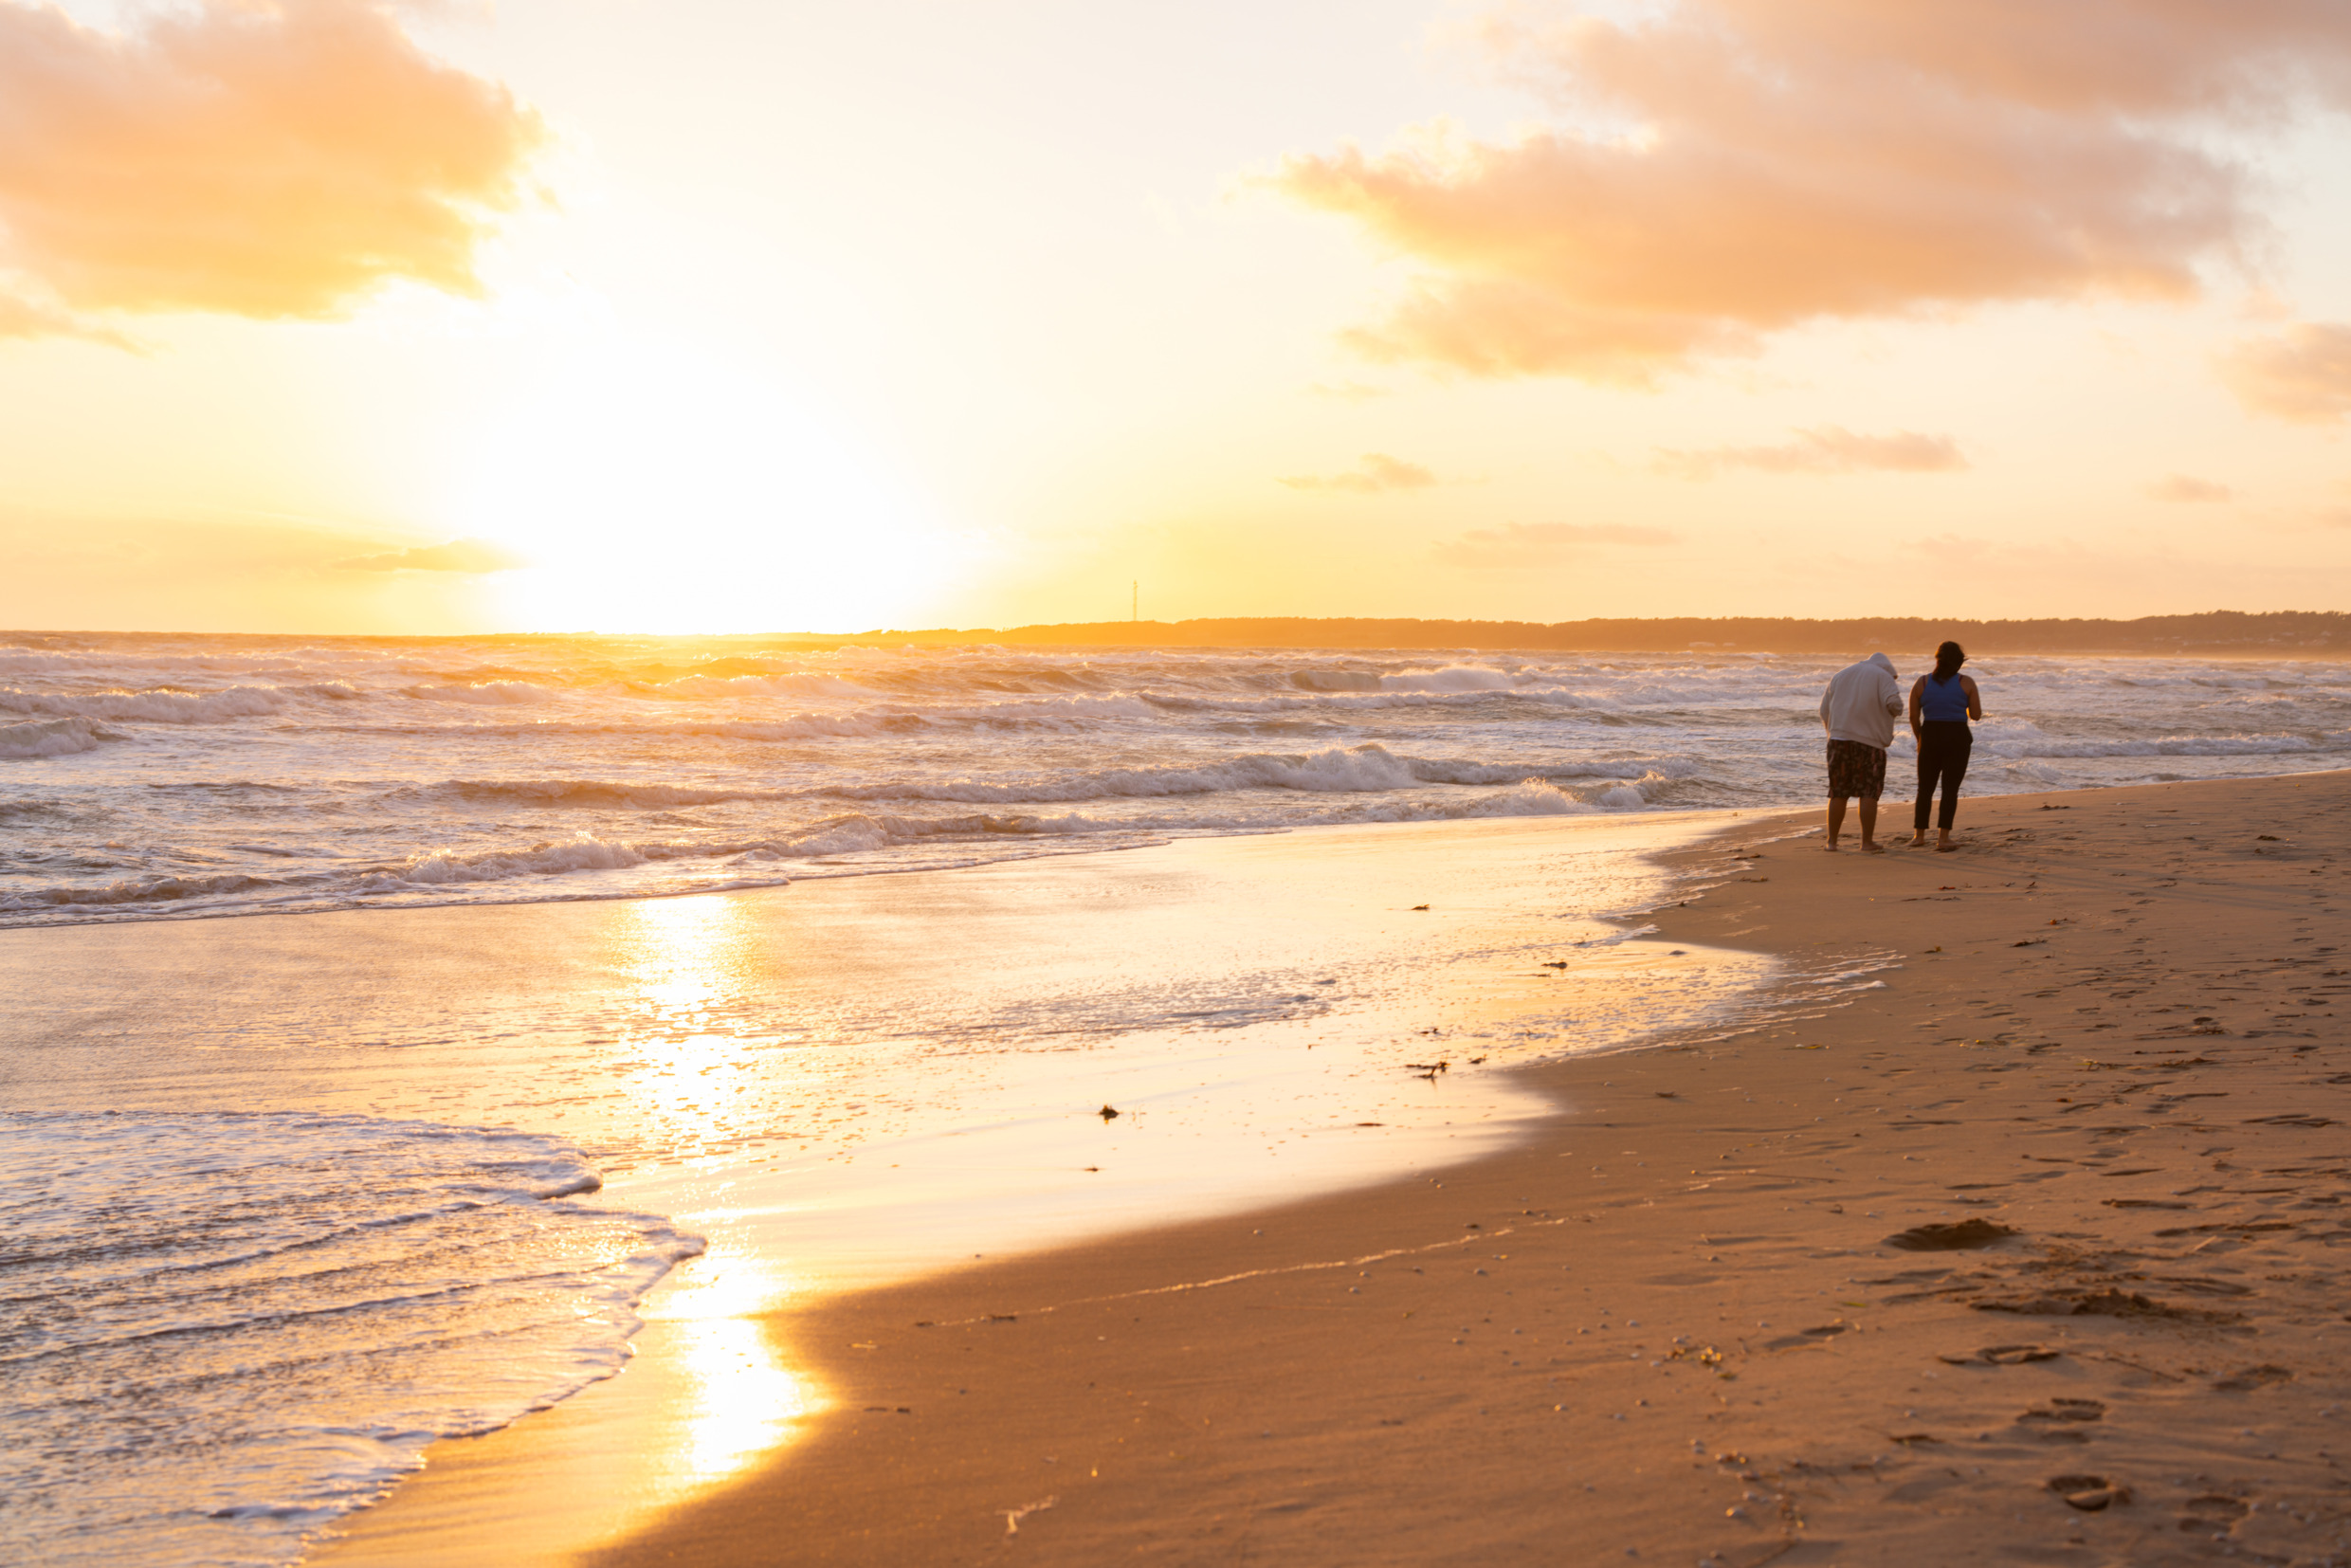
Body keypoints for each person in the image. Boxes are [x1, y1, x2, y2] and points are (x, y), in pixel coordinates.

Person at [1818, 651, 1904, 852]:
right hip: (1870, 743)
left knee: (1838, 792)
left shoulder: (1840, 675)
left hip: (1838, 742)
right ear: (1888, 670)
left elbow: (1823, 710)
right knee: (1869, 792)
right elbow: (1895, 705)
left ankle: (1832, 842)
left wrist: (1833, 732)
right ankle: (1866, 842)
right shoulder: (1883, 676)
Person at [1909, 640, 1983, 851]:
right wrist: (1961, 704)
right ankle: (1943, 838)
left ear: (1937, 659)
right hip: (1957, 736)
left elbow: (1914, 717)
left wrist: (1920, 739)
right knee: (1950, 789)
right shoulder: (1966, 683)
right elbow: (1976, 715)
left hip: (1930, 735)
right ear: (1959, 662)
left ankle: (1919, 836)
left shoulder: (1921, 683)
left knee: (1925, 788)